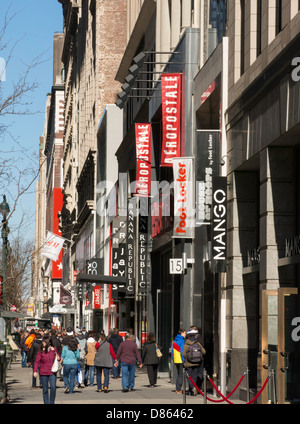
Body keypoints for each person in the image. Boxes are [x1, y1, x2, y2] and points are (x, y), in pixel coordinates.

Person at [33, 335, 61, 404]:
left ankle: (51, 402)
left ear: (48, 343)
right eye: (43, 342)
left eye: (44, 342)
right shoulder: (40, 350)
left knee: (53, 387)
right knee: (45, 389)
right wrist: (35, 371)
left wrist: (58, 357)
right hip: (43, 372)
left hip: (52, 372)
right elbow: (37, 361)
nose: (43, 343)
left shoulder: (53, 349)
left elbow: (58, 357)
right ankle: (46, 402)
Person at [182, 327, 206, 396]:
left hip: (189, 363)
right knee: (194, 377)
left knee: (189, 376)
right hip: (197, 363)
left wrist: (187, 358)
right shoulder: (198, 344)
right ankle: (193, 389)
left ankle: (192, 388)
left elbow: (183, 354)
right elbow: (204, 352)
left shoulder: (187, 344)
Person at [172, 328, 186, 394]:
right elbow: (182, 352)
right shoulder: (182, 341)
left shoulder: (175, 341)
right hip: (180, 360)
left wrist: (173, 358)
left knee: (179, 374)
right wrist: (184, 361)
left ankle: (177, 388)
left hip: (176, 360)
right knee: (181, 375)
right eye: (185, 333)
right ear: (182, 333)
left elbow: (172, 352)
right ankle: (178, 389)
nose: (185, 335)